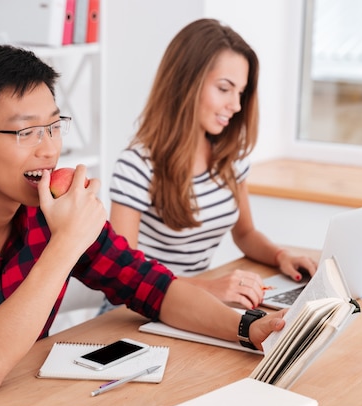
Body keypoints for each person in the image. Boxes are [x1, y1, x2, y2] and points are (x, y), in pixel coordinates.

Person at [0, 44, 286, 406]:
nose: (50, 150)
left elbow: (151, 287)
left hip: (13, 397)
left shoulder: (53, 206)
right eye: (26, 132)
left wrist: (248, 328)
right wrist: (67, 243)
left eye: (53, 126)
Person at [104, 19, 317, 313]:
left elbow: (245, 234)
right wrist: (209, 289)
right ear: (185, 82)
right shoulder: (137, 166)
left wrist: (280, 255)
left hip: (193, 306)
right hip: (135, 311)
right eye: (224, 88)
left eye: (240, 93)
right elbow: (122, 275)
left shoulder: (230, 158)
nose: (236, 105)